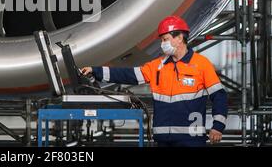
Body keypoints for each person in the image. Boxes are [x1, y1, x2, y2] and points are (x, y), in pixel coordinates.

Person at [81, 16, 228, 147]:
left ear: (180, 38)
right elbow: (129, 75)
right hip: (163, 138)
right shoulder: (158, 65)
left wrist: (218, 126)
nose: (162, 44)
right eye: (161, 40)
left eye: (165, 39)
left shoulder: (201, 64)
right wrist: (96, 71)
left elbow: (219, 95)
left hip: (191, 139)